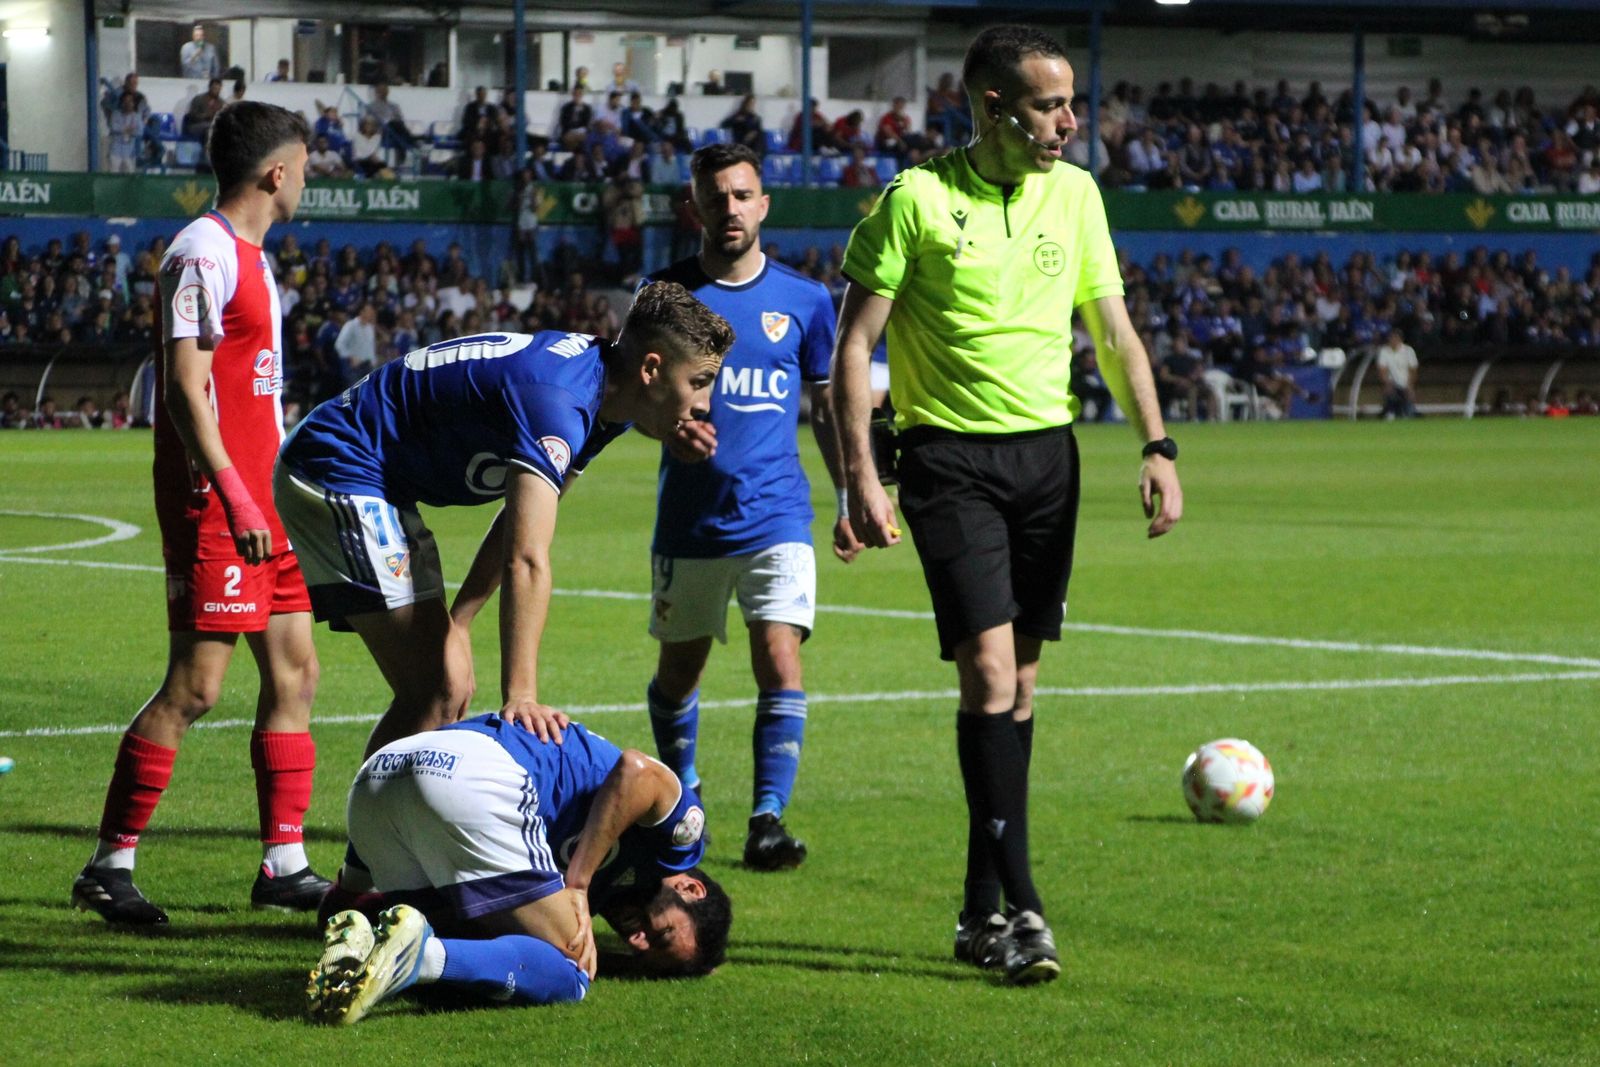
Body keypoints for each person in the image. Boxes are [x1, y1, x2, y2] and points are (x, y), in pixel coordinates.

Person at [831, 25, 1182, 986]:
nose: (1069, 122)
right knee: (988, 676)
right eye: (1048, 105)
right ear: (992, 107)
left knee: (1020, 688)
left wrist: (1156, 444)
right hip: (948, 461)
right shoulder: (915, 199)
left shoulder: (1077, 194)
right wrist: (860, 476)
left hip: (1047, 462)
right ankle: (1026, 908)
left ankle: (979, 910)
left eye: (1071, 103)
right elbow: (852, 348)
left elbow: (1113, 328)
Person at [274, 286, 735, 917]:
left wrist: (462, 617)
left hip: (378, 478)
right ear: (652, 369)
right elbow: (528, 556)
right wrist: (521, 692)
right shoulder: (560, 398)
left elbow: (518, 523)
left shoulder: (602, 398)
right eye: (700, 381)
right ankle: (358, 887)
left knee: (444, 683)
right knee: (439, 685)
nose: (704, 403)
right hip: (339, 464)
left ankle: (362, 883)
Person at [71, 101, 329, 926]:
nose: (308, 180)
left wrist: (279, 484)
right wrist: (237, 491)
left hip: (267, 501)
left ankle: (283, 862)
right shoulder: (202, 253)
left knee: (297, 673)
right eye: (305, 166)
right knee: (197, 684)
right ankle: (109, 865)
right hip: (219, 503)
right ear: (277, 172)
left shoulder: (251, 257)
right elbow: (185, 388)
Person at [639, 143, 853, 872]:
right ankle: (686, 798)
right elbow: (630, 398)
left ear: (763, 204)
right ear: (693, 207)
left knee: (779, 654)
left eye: (742, 195)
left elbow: (823, 407)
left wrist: (849, 494)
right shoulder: (663, 297)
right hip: (691, 521)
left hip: (777, 513)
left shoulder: (805, 300)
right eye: (715, 196)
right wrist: (670, 425)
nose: (729, 208)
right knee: (679, 676)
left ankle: (768, 817)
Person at [303, 714, 730, 1024]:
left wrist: (347, 892)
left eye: (644, 952)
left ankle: (363, 942)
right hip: (471, 777)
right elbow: (637, 772)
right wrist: (578, 885)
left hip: (379, 777)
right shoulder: (678, 844)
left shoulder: (616, 888)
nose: (637, 940)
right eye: (661, 934)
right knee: (572, 971)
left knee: (461, 977)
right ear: (691, 889)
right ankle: (419, 958)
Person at [1374, 326, 1419, 419]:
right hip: (1392, 384)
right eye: (1391, 337)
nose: (1393, 340)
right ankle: (1390, 412)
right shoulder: (1384, 351)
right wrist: (1387, 383)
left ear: (1400, 339)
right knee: (1390, 393)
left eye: (1395, 337)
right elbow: (1382, 371)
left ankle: (1408, 413)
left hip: (1406, 384)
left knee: (1409, 409)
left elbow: (1413, 371)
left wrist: (1409, 386)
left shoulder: (1408, 351)